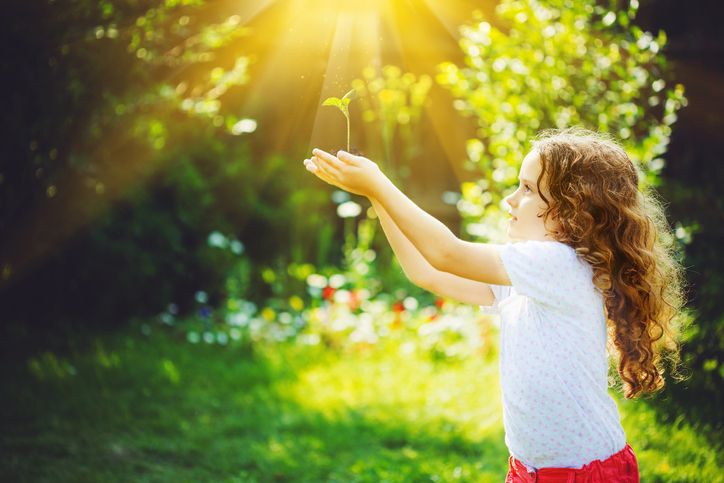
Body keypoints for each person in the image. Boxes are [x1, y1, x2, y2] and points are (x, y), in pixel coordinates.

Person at [303, 127, 684, 483]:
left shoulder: (561, 266)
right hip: (530, 470)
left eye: (528, 189)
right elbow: (427, 272)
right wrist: (375, 196)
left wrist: (381, 185)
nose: (511, 199)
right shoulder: (528, 276)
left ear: (573, 210)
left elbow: (446, 253)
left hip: (584, 474)